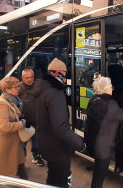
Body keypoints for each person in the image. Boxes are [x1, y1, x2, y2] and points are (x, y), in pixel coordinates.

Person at [32, 58, 86, 188]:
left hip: (47, 145)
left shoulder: (43, 90)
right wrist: (80, 144)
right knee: (62, 180)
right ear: (59, 73)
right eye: (64, 73)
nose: (66, 76)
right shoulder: (55, 93)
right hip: (58, 148)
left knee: (53, 177)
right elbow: (60, 127)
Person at [85, 77, 123, 188]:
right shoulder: (110, 105)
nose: (112, 89)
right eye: (111, 87)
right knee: (98, 177)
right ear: (106, 89)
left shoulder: (93, 100)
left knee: (98, 172)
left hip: (93, 142)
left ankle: (121, 164)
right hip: (102, 148)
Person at [0, 77, 28, 188]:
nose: (18, 88)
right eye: (15, 87)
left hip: (13, 139)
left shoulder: (13, 99)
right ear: (7, 90)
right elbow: (4, 126)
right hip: (3, 140)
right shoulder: (1, 103)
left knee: (19, 161)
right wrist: (21, 124)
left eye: (18, 85)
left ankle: (22, 176)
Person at [18, 68, 44, 166]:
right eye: (27, 78)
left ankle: (36, 156)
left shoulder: (38, 86)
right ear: (22, 78)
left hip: (37, 118)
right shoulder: (18, 88)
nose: (29, 79)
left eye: (31, 77)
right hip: (24, 120)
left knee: (37, 139)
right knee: (23, 142)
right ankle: (21, 161)